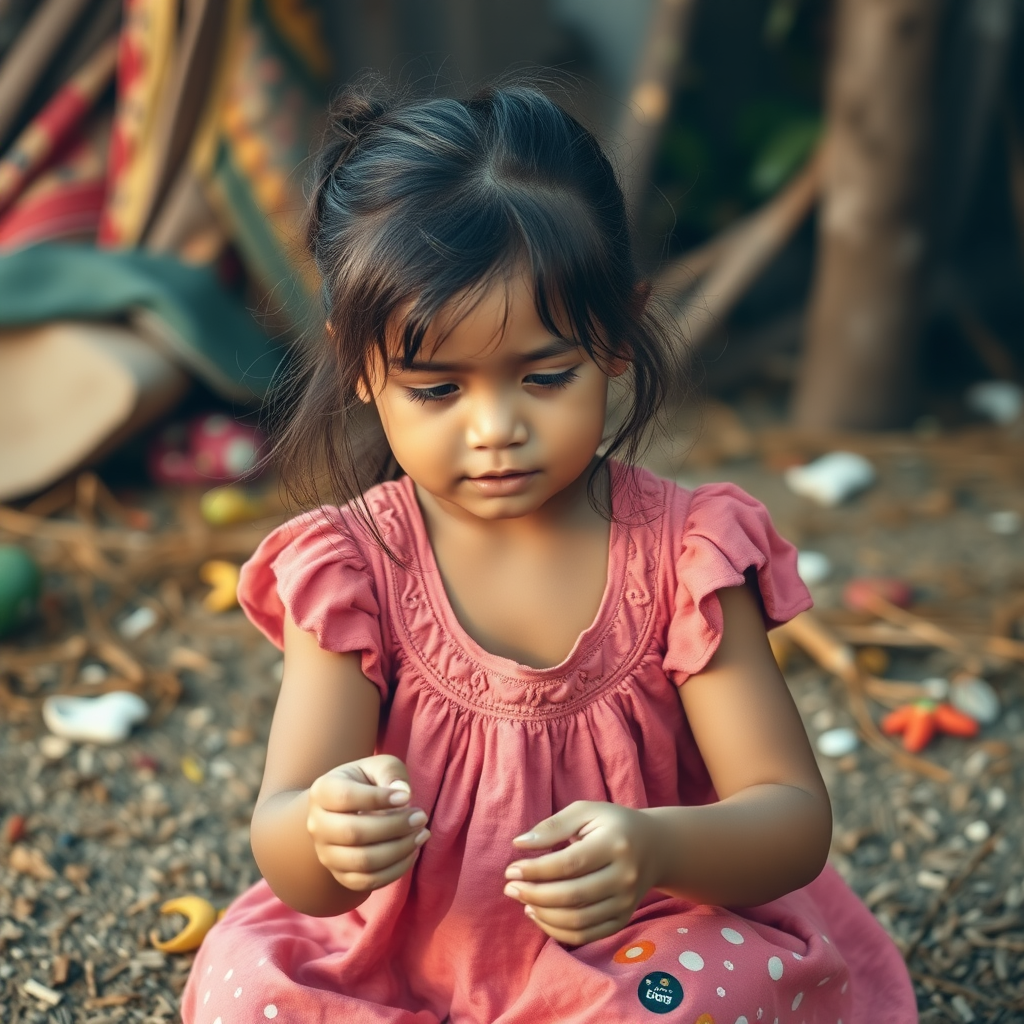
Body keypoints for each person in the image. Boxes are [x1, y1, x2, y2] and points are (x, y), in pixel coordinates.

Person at [182, 81, 916, 1024]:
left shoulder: (687, 555)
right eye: (438, 389)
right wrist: (328, 833)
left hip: (639, 943)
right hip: (395, 958)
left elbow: (789, 821)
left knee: (706, 993)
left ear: (616, 333)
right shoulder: (351, 568)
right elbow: (287, 843)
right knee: (246, 990)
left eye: (543, 376)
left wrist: (653, 848)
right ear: (361, 365)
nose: (496, 429)